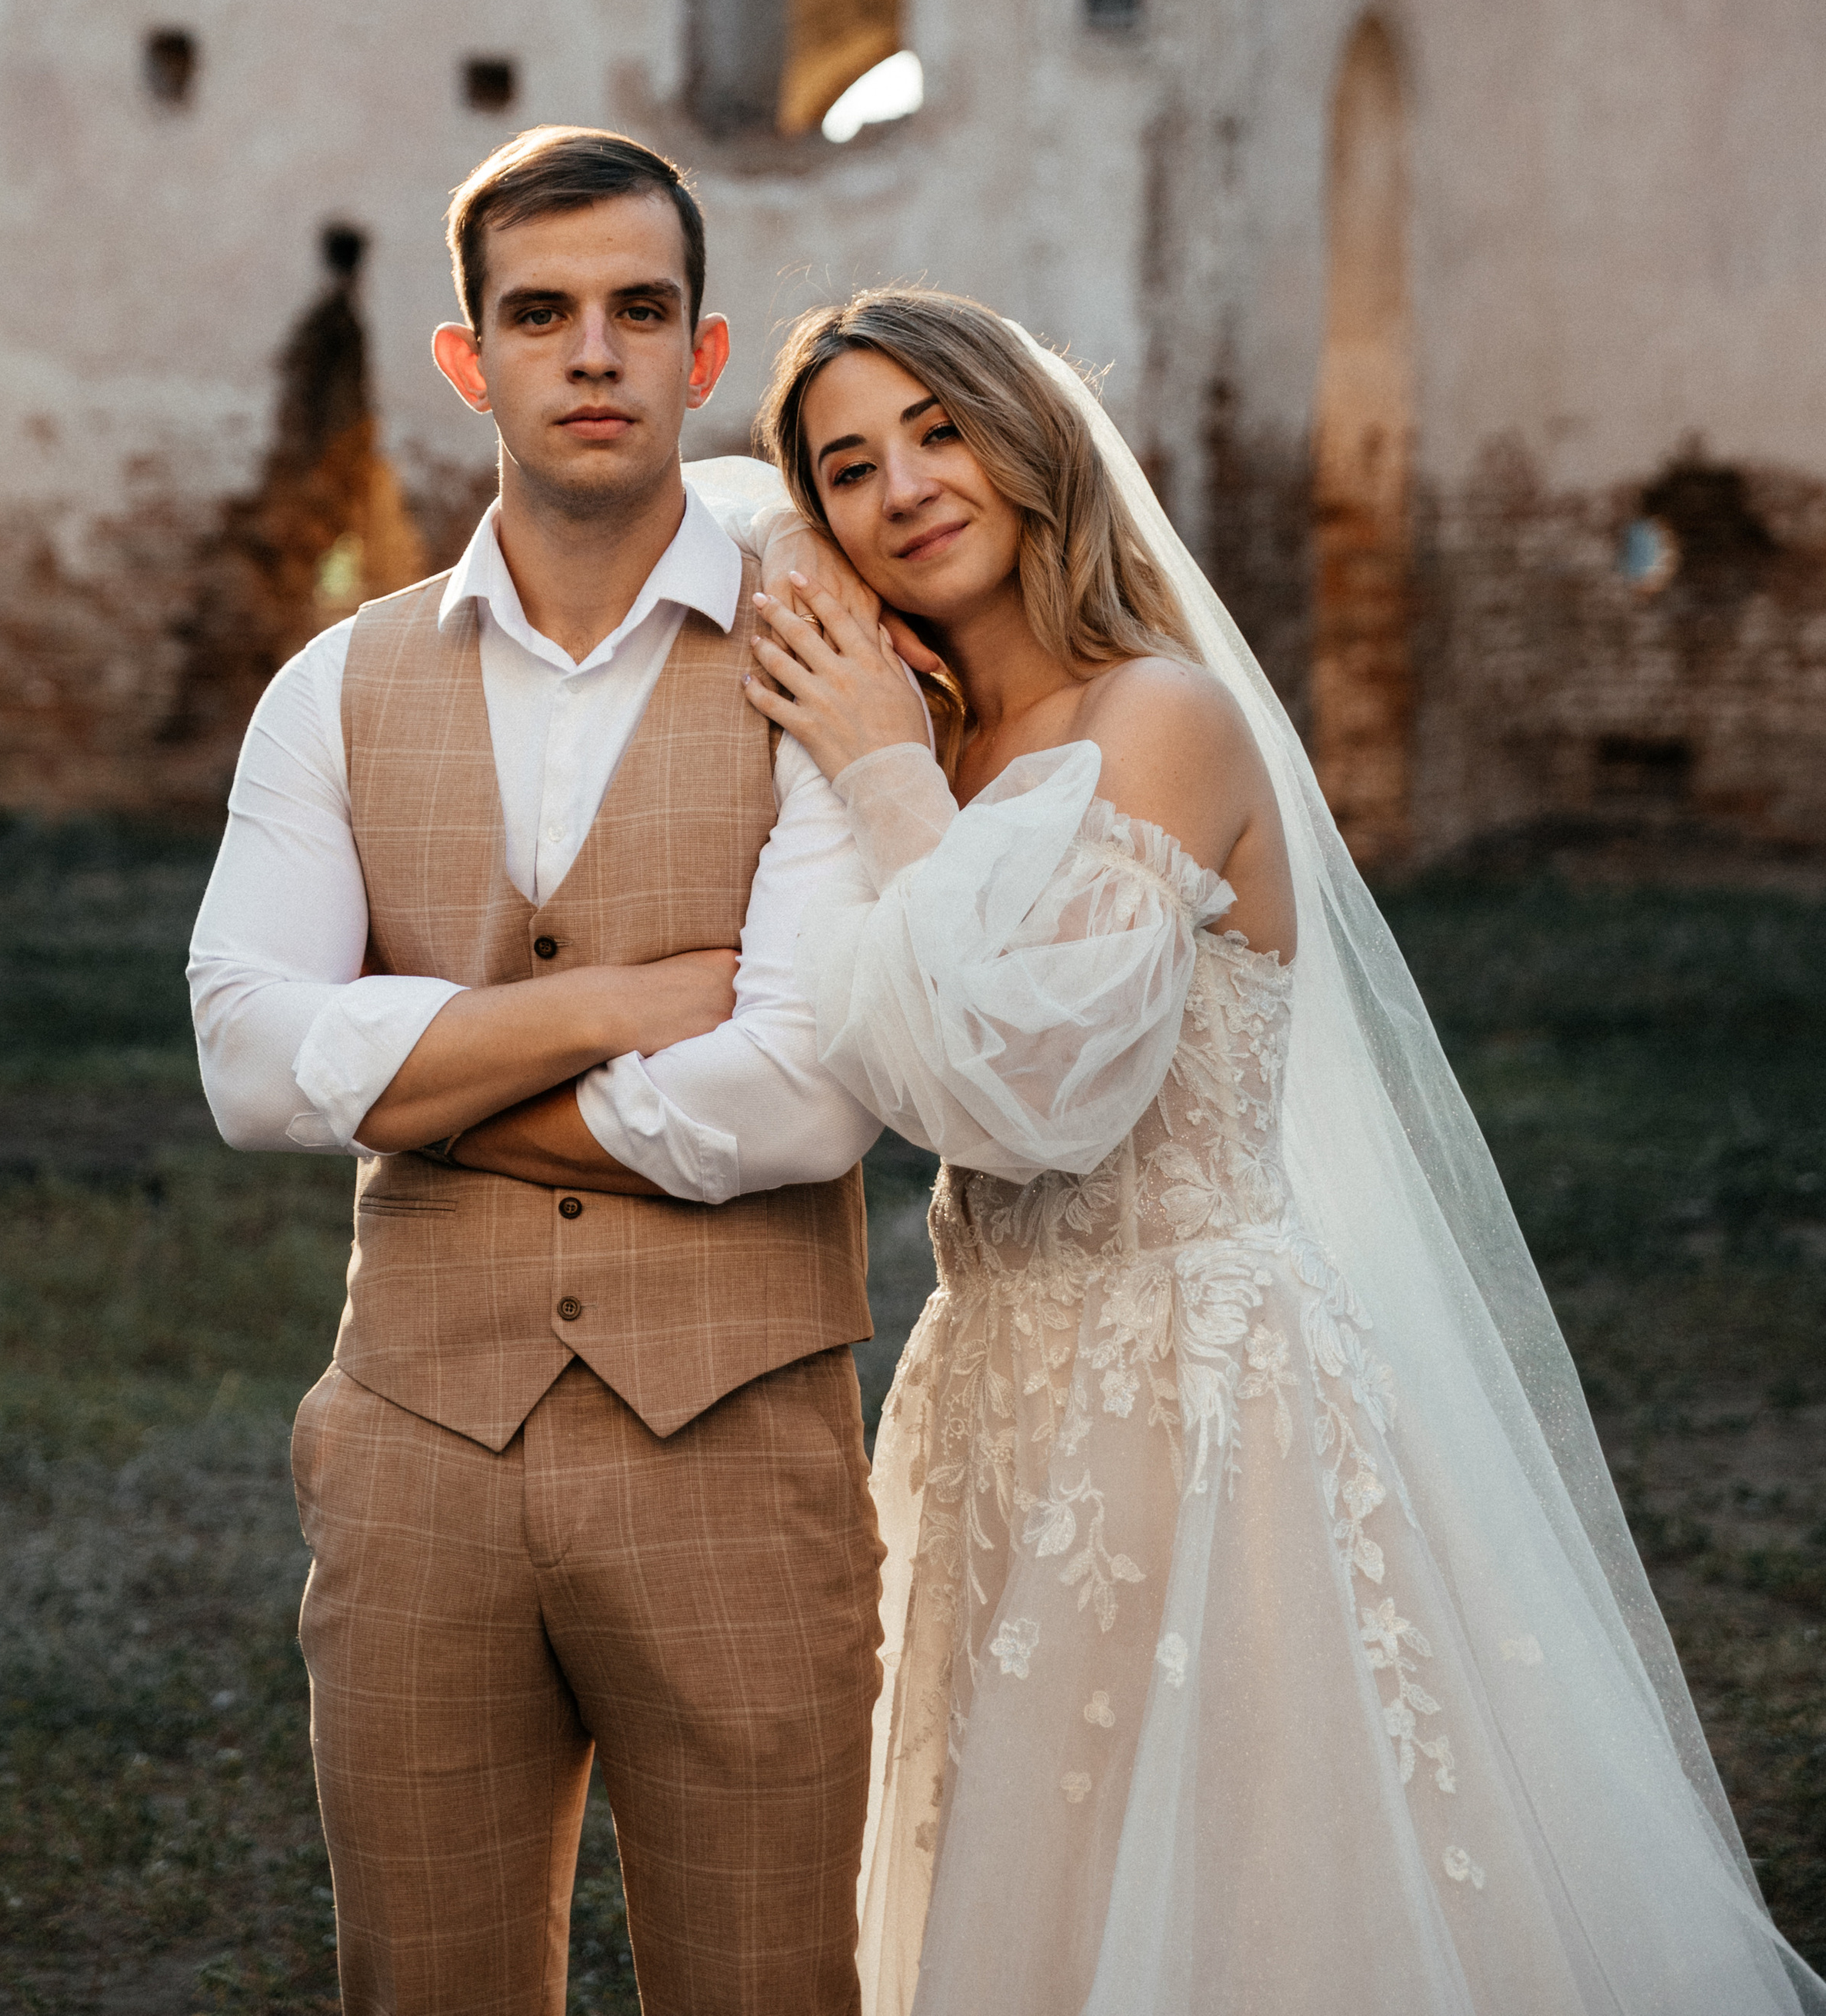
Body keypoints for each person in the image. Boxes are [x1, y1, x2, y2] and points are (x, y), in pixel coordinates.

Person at [716, 286, 1825, 2016]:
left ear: (1029, 444)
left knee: (1247, 1885)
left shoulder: (1153, 717)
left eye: (939, 430)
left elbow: (1037, 1088)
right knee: (1031, 1868)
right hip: (991, 1380)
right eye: (847, 467)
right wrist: (866, 704)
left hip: (1199, 1393)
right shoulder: (935, 742)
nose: (903, 487)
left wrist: (873, 776)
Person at [188, 127, 892, 2016]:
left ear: (701, 353)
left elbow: (802, 1096)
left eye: (636, 311)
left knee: (766, 1986)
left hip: (739, 1452)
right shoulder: (332, 685)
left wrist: (413, 1071)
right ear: (468, 358)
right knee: (417, 1984)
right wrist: (608, 1008)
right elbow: (249, 1058)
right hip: (413, 1451)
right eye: (542, 313)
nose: (592, 352)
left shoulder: (821, 664)